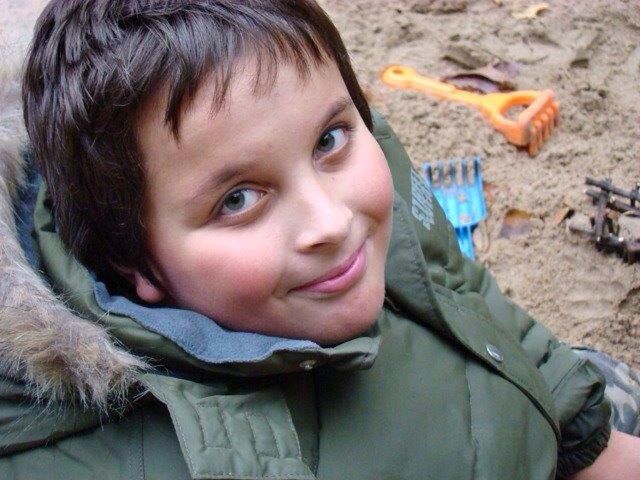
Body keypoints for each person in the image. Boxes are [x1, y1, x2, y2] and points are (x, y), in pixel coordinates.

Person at [0, 0, 637, 478]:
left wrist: (584, 432)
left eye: (329, 140)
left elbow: (466, 304)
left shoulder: (357, 158)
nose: (332, 221)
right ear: (132, 260)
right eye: (239, 200)